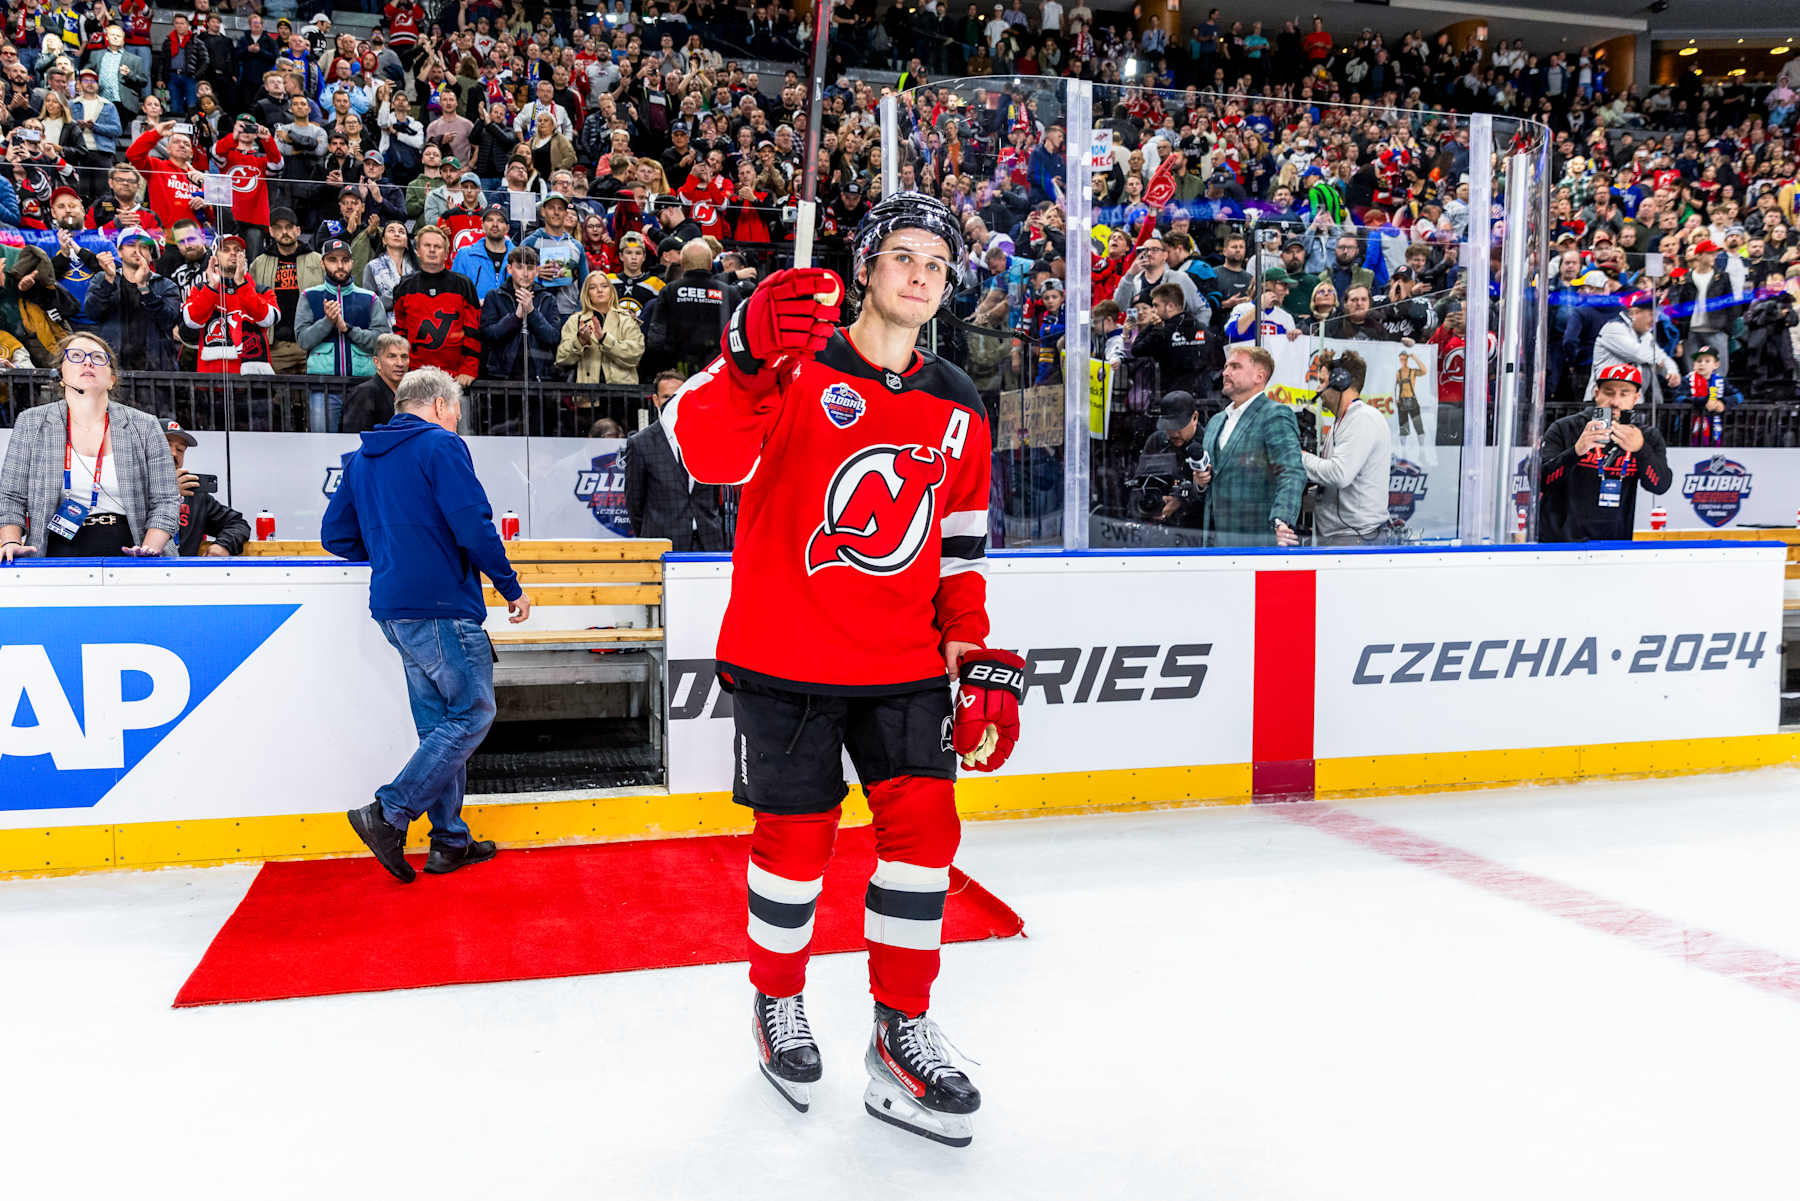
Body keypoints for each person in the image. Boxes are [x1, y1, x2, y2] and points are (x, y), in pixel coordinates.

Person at [662, 191, 1022, 1146]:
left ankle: (901, 1026)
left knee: (925, 840)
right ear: (866, 266)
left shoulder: (958, 399)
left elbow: (960, 543)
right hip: (784, 658)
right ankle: (776, 998)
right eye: (902, 256)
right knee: (795, 851)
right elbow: (698, 445)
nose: (920, 276)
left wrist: (973, 648)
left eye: (936, 266)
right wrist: (741, 352)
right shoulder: (794, 361)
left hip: (904, 664)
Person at [322, 366, 531, 882]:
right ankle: (389, 813)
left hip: (393, 607)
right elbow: (473, 525)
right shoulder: (442, 445)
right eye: (456, 410)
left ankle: (449, 841)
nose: (457, 420)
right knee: (473, 715)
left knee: (440, 728)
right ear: (439, 405)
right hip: (443, 606)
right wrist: (510, 587)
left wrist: (397, 553)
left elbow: (336, 535)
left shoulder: (363, 458)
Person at [0, 331, 179, 561]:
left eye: (97, 357)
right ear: (61, 374)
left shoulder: (144, 425)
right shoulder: (31, 422)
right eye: (76, 355)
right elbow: (10, 496)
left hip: (132, 548)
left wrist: (148, 549)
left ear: (112, 378)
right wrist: (11, 541)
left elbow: (166, 500)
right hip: (54, 550)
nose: (87, 361)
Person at [1539, 362, 1671, 543]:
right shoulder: (1565, 428)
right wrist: (1576, 451)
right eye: (1609, 392)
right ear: (1596, 393)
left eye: (1624, 393)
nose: (1615, 402)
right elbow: (1540, 481)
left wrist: (1641, 450)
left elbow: (1660, 485)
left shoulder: (1646, 436)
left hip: (1614, 544)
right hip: (1559, 542)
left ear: (1636, 398)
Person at [1192, 345, 1303, 548]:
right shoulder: (1216, 421)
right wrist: (1200, 481)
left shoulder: (1274, 414)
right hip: (1215, 539)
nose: (1225, 372)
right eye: (1226, 367)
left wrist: (1282, 520)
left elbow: (1291, 472)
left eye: (1235, 367)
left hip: (1257, 537)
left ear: (1259, 377)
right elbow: (1211, 478)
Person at [1300, 351, 1393, 544]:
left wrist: (1297, 456)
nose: (1318, 388)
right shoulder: (1342, 422)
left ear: (1340, 382)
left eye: (1323, 381)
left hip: (1355, 539)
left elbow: (1339, 474)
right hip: (1342, 536)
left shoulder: (1363, 419)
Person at [623, 369, 722, 547]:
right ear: (655, 400)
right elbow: (634, 503)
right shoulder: (640, 443)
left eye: (678, 395)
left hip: (708, 541)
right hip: (663, 544)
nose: (673, 402)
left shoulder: (709, 436)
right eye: (666, 397)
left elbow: (714, 493)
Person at [389, 225, 480, 387]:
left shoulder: (463, 284)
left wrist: (469, 369)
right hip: (414, 376)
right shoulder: (405, 286)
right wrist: (402, 368)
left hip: (455, 379)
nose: (432, 250)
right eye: (427, 246)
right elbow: (400, 332)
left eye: (437, 247)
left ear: (446, 254)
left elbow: (473, 330)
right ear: (417, 251)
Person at [183, 233, 276, 374]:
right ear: (215, 258)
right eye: (225, 249)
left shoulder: (262, 290)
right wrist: (212, 288)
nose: (232, 253)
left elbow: (267, 319)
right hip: (212, 380)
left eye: (238, 250)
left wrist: (242, 284)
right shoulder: (201, 289)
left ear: (244, 257)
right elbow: (192, 321)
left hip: (254, 383)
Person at [164, 419, 248, 557]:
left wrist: (223, 546)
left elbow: (238, 524)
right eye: (166, 445)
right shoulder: (127, 491)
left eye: (180, 449)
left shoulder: (194, 495)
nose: (174, 453)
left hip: (183, 575)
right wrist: (169, 493)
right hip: (136, 573)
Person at [1586, 292, 1678, 405]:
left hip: (1628, 402)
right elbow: (1639, 354)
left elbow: (1662, 356)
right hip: (1604, 401)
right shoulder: (1614, 328)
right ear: (1635, 312)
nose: (1655, 320)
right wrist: (1659, 360)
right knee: (1604, 423)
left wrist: (1672, 371)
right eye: (1651, 314)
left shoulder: (1645, 334)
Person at [556, 271, 644, 384]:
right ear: (586, 293)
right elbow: (561, 358)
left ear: (611, 290)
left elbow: (635, 355)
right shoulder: (575, 321)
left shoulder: (626, 320)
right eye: (593, 287)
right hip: (587, 396)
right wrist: (579, 341)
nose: (599, 290)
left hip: (622, 395)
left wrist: (604, 339)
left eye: (604, 286)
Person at [342, 333, 409, 434]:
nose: (400, 363)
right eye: (392, 356)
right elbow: (354, 438)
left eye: (404, 357)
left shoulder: (410, 393)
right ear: (377, 362)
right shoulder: (363, 393)